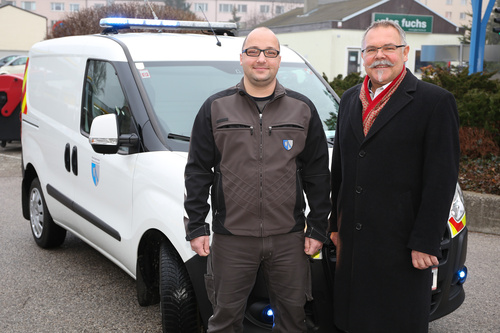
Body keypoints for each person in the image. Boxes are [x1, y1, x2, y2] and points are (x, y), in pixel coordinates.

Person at [184, 27, 331, 332]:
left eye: (270, 52)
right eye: (253, 51)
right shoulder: (215, 108)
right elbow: (198, 170)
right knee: (224, 321)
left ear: (279, 60)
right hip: (231, 239)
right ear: (242, 58)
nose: (261, 59)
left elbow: (318, 173)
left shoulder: (303, 109)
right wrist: (197, 225)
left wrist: (318, 226)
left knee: (293, 320)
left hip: (288, 239)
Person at [329, 20, 460, 333]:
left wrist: (426, 241)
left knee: (395, 321)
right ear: (363, 56)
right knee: (353, 320)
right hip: (355, 241)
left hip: (401, 244)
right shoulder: (349, 99)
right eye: (372, 49)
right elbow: (341, 171)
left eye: (389, 47)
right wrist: (334, 225)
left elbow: (442, 178)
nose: (380, 56)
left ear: (405, 53)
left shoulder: (435, 102)